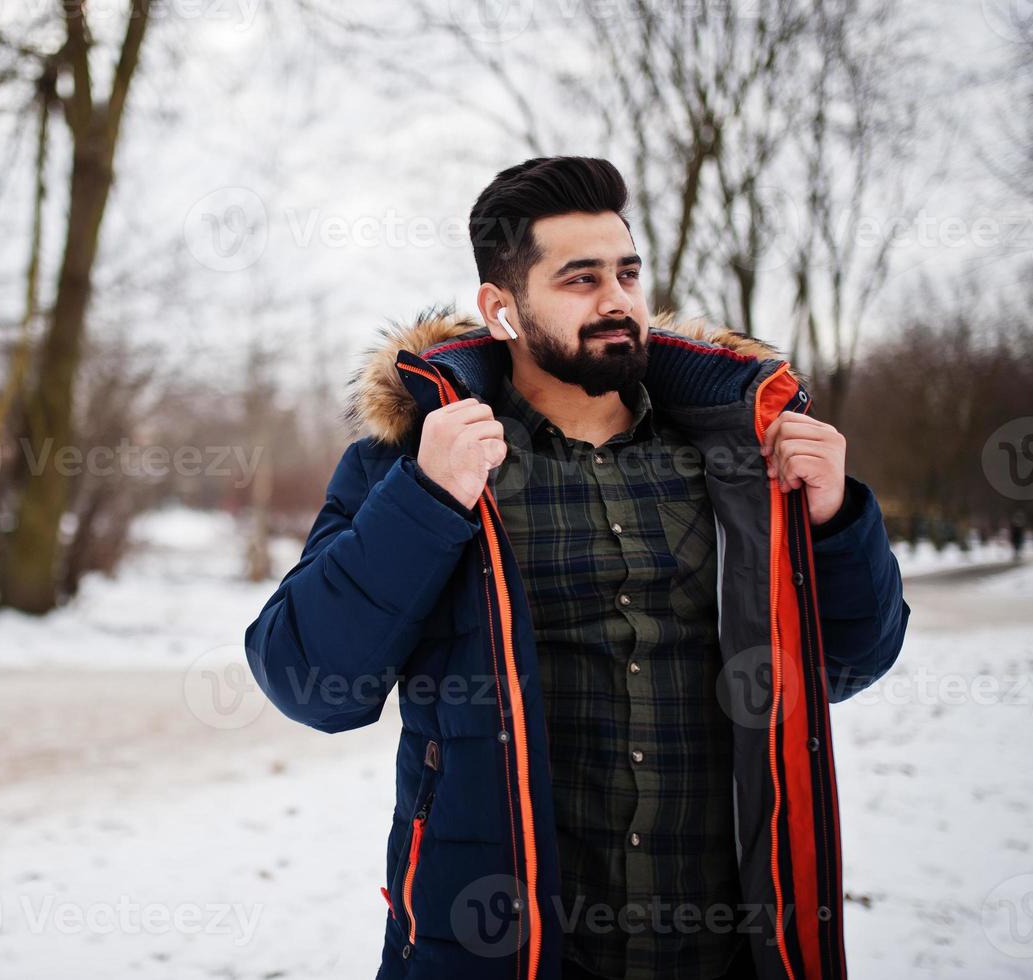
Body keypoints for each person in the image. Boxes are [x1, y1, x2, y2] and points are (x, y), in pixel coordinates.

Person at [244, 157, 911, 980]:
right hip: (499, 951)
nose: (616, 299)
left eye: (627, 272)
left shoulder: (738, 455)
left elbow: (844, 666)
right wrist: (425, 497)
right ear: (502, 308)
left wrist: (837, 521)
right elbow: (310, 684)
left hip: (726, 949)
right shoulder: (411, 464)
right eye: (578, 278)